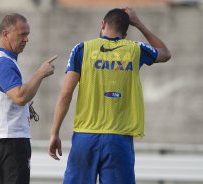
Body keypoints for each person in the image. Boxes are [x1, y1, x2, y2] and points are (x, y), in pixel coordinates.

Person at [48, 7, 171, 184]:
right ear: (126, 33)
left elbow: (65, 94)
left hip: (85, 136)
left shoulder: (83, 49)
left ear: (103, 24)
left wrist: (54, 133)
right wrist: (139, 24)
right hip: (118, 138)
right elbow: (165, 53)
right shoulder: (135, 50)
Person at [0, 13, 57, 184]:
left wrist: (25, 107)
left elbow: (8, 99)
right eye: (22, 34)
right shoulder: (3, 62)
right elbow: (20, 96)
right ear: (6, 34)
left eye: (27, 34)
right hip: (10, 143)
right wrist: (40, 73)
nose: (26, 39)